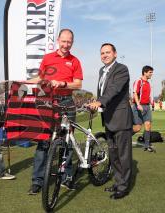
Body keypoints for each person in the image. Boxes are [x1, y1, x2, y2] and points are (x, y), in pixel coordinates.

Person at [26, 29, 83, 194]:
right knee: (44, 141)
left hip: (67, 102)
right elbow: (40, 79)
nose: (66, 45)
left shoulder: (75, 61)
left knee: (67, 141)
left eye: (69, 42)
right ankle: (37, 181)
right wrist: (22, 82)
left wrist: (63, 84)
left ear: (72, 42)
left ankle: (66, 177)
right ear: (58, 40)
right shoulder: (48, 58)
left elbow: (78, 84)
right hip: (47, 102)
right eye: (63, 41)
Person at [88, 43, 133, 199]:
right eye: (102, 53)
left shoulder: (121, 69)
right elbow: (104, 90)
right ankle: (118, 182)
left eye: (108, 52)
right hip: (108, 118)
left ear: (115, 54)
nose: (104, 55)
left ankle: (123, 187)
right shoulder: (102, 70)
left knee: (123, 155)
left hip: (121, 119)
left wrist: (100, 102)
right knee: (113, 155)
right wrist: (97, 101)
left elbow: (114, 89)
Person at [132, 65, 154, 152]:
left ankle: (147, 145)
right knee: (137, 128)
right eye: (150, 72)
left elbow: (148, 95)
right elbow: (134, 93)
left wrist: (151, 104)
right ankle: (123, 138)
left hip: (146, 107)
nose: (151, 74)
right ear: (145, 72)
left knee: (148, 125)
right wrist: (138, 104)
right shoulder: (138, 81)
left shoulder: (148, 83)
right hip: (138, 107)